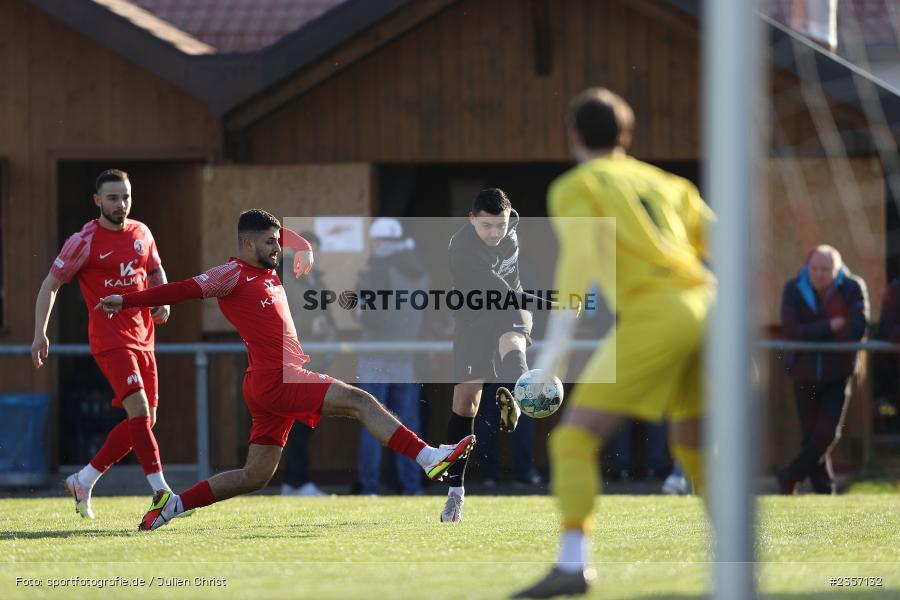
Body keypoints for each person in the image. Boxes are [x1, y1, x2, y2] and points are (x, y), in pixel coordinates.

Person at [97, 209, 475, 531]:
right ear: (247, 244)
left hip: (266, 383)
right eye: (270, 243)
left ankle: (173, 506)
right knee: (359, 399)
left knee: (254, 476)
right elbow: (180, 289)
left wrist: (304, 246)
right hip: (277, 378)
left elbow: (284, 235)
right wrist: (128, 301)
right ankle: (428, 457)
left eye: (279, 241)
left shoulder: (267, 267)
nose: (279, 248)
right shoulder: (231, 274)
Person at [513, 88, 715, 597]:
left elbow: (576, 270)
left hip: (658, 312)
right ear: (626, 136)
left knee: (576, 439)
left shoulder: (577, 185)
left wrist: (550, 363)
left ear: (573, 136)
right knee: (693, 445)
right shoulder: (670, 183)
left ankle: (572, 564)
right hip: (712, 308)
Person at [32, 169, 177, 519]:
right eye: (112, 198)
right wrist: (40, 332)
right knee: (139, 411)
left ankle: (84, 479)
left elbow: (155, 271)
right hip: (110, 339)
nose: (120, 204)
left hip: (145, 337)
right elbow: (50, 284)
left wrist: (164, 299)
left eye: (125, 196)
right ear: (97, 201)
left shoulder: (142, 232)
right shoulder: (84, 241)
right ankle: (162, 493)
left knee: (144, 420)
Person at [444, 188, 543, 522]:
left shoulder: (510, 223)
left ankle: (519, 392)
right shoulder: (462, 251)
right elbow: (506, 293)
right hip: (475, 316)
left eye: (500, 225)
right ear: (472, 220)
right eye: (486, 226)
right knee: (467, 399)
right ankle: (455, 490)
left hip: (509, 310)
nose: (495, 233)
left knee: (513, 341)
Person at [777, 245, 868, 495]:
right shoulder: (794, 288)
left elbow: (856, 329)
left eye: (825, 269)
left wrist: (812, 332)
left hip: (836, 372)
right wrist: (829, 326)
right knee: (811, 436)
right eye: (814, 268)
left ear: (836, 270)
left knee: (827, 434)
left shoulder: (852, 288)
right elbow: (792, 330)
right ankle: (824, 491)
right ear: (808, 268)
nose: (818, 274)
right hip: (804, 373)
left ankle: (789, 475)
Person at [355, 217, 429, 496]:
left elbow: (371, 318)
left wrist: (358, 311)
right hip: (406, 355)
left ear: (380, 241)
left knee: (373, 422)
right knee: (407, 424)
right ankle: (412, 487)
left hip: (376, 356)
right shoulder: (420, 271)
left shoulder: (378, 269)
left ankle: (370, 487)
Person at [281, 231, 332, 497]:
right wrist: (309, 324)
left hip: (315, 362)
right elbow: (282, 317)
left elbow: (328, 319)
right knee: (296, 425)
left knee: (304, 424)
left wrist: (326, 330)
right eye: (314, 252)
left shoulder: (317, 279)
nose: (317, 258)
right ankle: (295, 482)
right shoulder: (285, 277)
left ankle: (296, 481)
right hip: (293, 362)